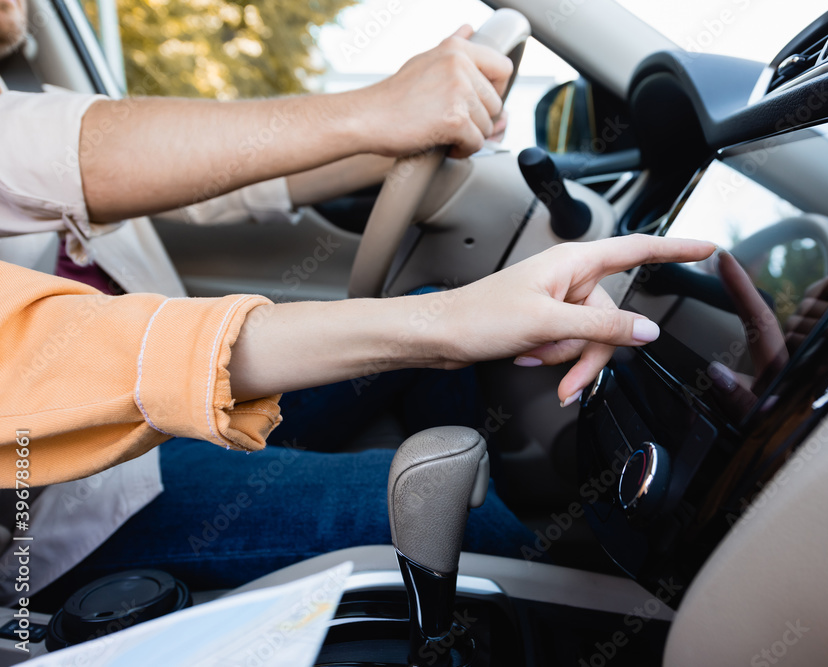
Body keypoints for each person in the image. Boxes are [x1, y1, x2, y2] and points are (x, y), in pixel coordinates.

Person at [0, 0, 716, 609]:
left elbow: (215, 173)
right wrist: (377, 111)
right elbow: (77, 180)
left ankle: (476, 482)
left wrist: (404, 137)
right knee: (420, 507)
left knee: (436, 317)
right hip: (66, 498)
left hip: (173, 406)